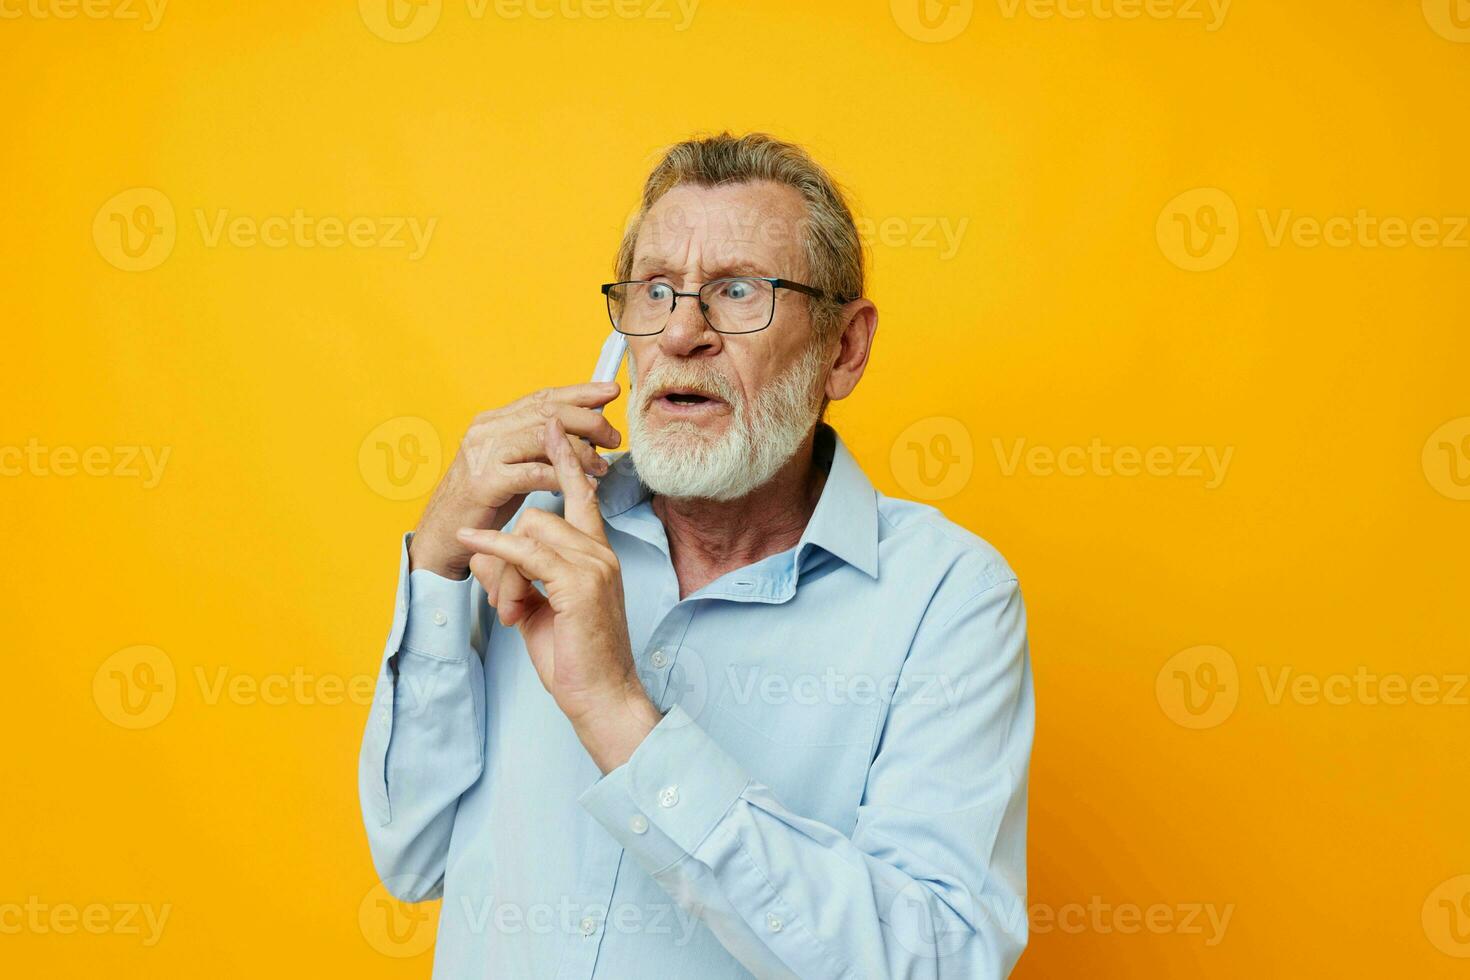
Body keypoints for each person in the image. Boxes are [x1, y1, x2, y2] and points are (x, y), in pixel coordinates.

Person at [358, 131, 1035, 978]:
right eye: (654, 292)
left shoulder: (948, 597)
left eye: (738, 291)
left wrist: (619, 717)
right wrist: (437, 561)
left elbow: (936, 961)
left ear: (844, 348)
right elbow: (412, 857)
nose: (682, 332)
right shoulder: (528, 538)